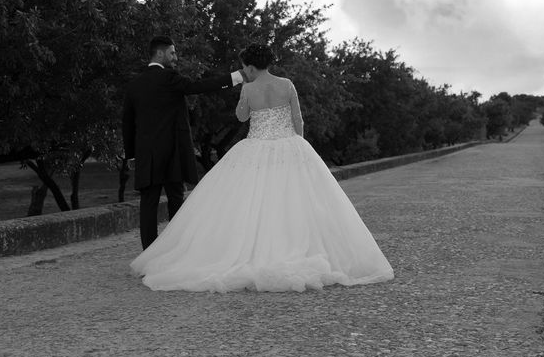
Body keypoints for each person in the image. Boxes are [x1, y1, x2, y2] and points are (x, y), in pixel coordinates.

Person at [130, 43, 394, 292]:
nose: (245, 71)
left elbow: (242, 117)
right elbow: (297, 119)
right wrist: (297, 146)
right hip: (289, 146)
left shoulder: (249, 88)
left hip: (255, 147)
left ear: (251, 66)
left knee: (250, 201)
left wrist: (244, 98)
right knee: (293, 201)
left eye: (245, 66)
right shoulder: (287, 84)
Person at [122, 35, 244, 249]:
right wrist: (237, 77)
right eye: (172, 52)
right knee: (176, 202)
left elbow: (128, 123)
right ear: (160, 53)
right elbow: (200, 86)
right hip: (172, 152)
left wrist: (131, 154)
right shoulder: (170, 78)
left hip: (147, 155)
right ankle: (176, 251)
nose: (175, 57)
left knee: (148, 205)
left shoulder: (134, 85)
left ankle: (148, 255)